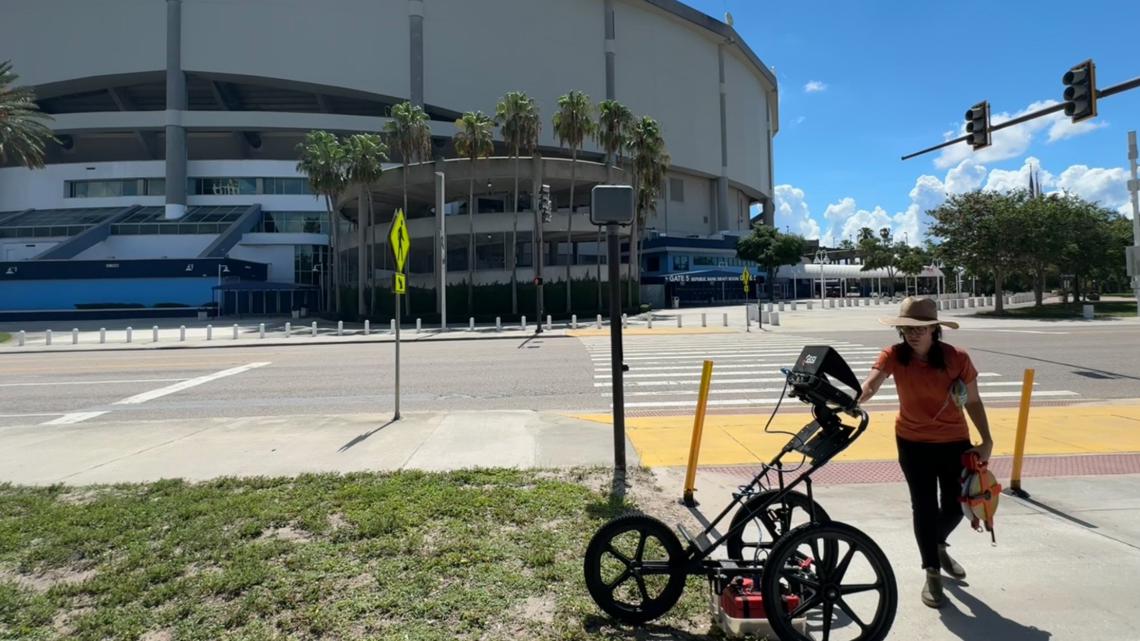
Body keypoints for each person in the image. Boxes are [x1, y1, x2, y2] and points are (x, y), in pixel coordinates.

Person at [858, 296, 994, 609]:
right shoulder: (893, 355)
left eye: (920, 327)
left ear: (935, 328)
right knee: (924, 506)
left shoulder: (956, 357)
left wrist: (986, 438)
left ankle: (936, 544)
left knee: (957, 505)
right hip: (911, 442)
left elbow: (972, 400)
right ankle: (932, 571)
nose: (913, 333)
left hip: (954, 442)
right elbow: (871, 385)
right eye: (907, 327)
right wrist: (852, 402)